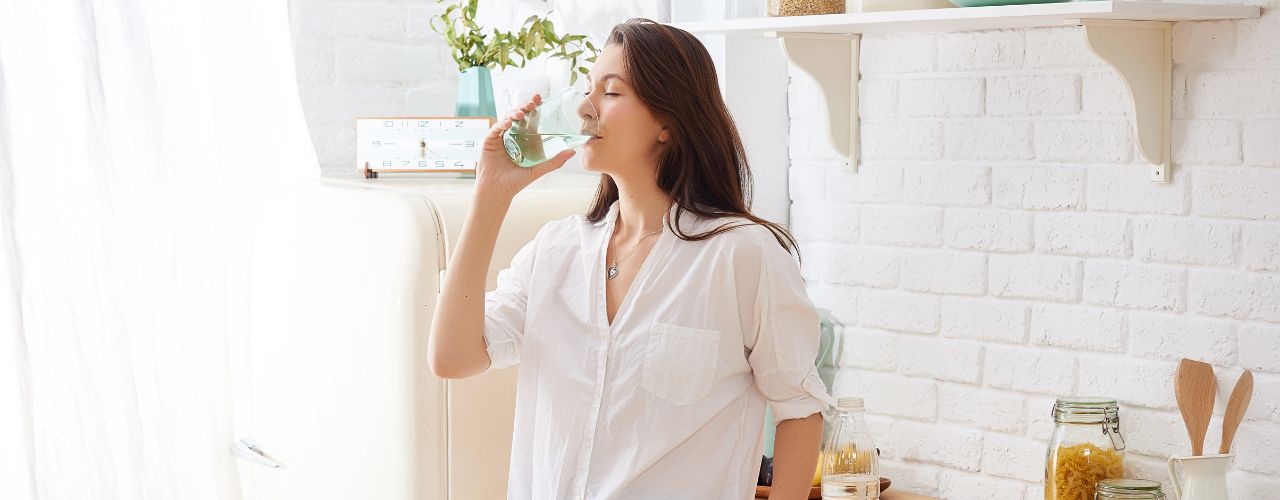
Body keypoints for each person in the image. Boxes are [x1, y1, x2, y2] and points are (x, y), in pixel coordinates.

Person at [428, 18, 835, 500]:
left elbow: (800, 409)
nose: (584, 108)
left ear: (668, 122)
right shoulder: (555, 250)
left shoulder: (742, 256)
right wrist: (490, 197)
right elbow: (452, 357)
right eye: (587, 89)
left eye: (611, 92)